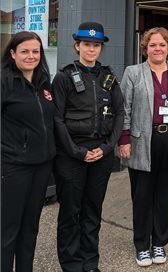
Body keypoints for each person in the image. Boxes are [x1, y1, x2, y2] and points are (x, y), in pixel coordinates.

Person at [118, 27, 168, 267]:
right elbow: (125, 108)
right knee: (142, 196)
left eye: (162, 45)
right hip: (142, 141)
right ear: (145, 48)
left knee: (165, 195)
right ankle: (142, 245)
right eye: (152, 45)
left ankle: (159, 243)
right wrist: (124, 140)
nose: (157, 49)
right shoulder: (133, 73)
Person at [51, 22, 124, 272]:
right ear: (77, 46)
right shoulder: (63, 77)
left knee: (93, 211)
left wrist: (106, 149)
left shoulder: (109, 77)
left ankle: (90, 263)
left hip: (101, 154)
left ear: (100, 48)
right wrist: (77, 152)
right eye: (86, 44)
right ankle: (71, 265)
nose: (91, 49)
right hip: (72, 155)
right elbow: (57, 119)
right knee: (71, 213)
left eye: (96, 45)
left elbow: (120, 115)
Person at [1, 31, 56, 272]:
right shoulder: (4, 82)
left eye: (35, 51)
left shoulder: (44, 82)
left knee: (31, 227)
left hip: (42, 166)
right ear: (13, 54)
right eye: (24, 51)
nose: (31, 56)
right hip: (13, 167)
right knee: (8, 229)